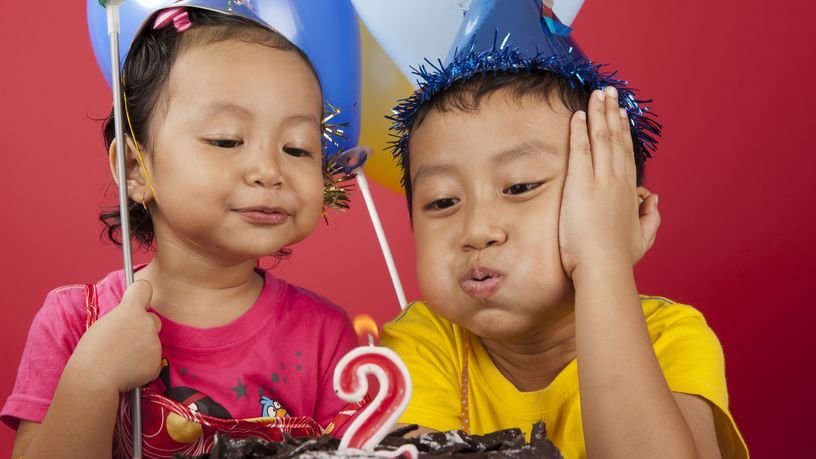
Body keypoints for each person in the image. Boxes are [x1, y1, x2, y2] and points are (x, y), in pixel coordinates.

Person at [380, 1, 748, 458]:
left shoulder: (670, 337)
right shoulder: (423, 341)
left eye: (519, 186)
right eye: (442, 201)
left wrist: (602, 260)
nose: (476, 229)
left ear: (620, 211)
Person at [2, 2, 358, 457]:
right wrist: (92, 378)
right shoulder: (77, 323)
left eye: (297, 147)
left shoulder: (325, 337)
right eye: (226, 139)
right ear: (134, 167)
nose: (269, 170)